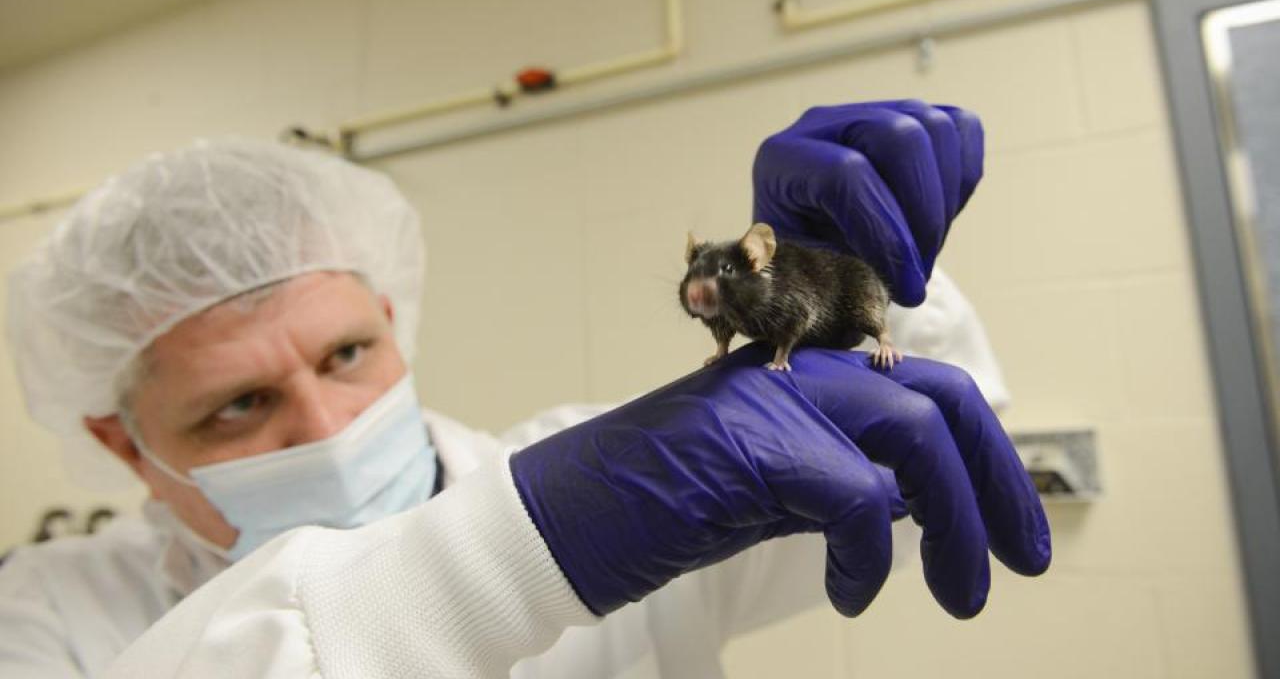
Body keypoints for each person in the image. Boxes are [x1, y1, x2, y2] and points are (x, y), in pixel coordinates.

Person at [0, 100, 1049, 678]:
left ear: (393, 328)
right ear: (120, 440)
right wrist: (497, 561)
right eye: (237, 405)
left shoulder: (628, 463)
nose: (325, 427)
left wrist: (845, 296)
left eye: (346, 357)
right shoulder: (47, 617)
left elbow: (914, 459)